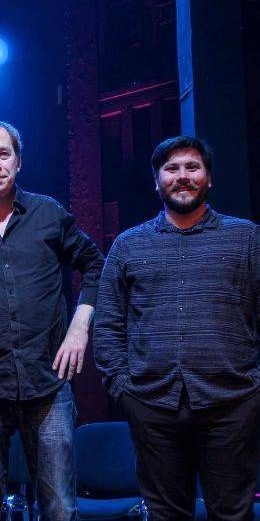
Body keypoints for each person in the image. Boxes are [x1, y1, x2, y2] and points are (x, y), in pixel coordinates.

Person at [0, 119, 105, 521]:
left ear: (18, 161)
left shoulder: (49, 214)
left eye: (3, 154)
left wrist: (79, 327)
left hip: (46, 381)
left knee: (60, 509)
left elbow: (96, 266)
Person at [94, 136, 259, 520]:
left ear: (209, 178)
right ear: (157, 181)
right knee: (166, 515)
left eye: (192, 167)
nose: (182, 176)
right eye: (171, 169)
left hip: (232, 405)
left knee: (232, 514)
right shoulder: (128, 245)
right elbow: (107, 326)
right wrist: (124, 391)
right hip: (152, 406)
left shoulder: (247, 238)